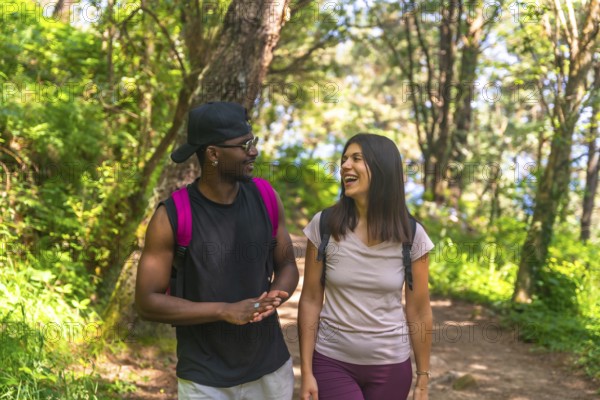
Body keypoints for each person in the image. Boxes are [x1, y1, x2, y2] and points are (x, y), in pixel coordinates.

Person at [135, 101, 299, 400]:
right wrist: (224, 310)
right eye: (244, 145)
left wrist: (277, 294)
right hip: (204, 380)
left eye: (254, 141)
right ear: (213, 153)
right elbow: (147, 302)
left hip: (270, 371)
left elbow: (287, 265)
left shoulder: (266, 197)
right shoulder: (172, 215)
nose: (254, 151)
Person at [298, 133, 435, 400]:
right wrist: (306, 371)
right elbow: (311, 299)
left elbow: (419, 310)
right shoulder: (324, 225)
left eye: (356, 159)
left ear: (382, 168)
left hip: (391, 368)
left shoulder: (412, 235)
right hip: (331, 362)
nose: (345, 165)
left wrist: (423, 379)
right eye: (344, 159)